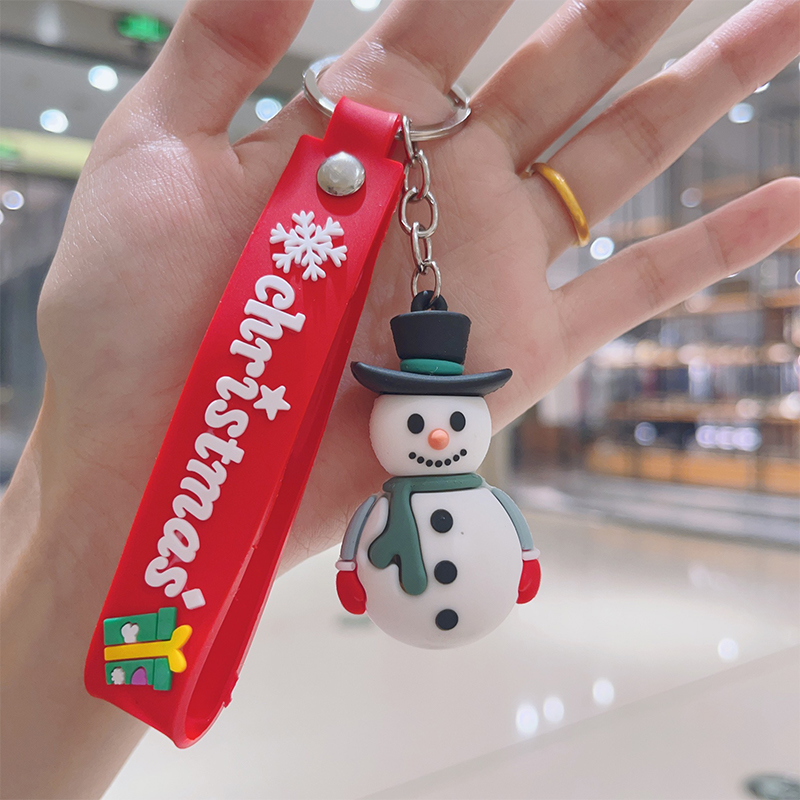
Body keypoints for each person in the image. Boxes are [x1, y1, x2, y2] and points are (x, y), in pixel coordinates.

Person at [1, 0, 797, 796]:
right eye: (423, 420)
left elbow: (507, 527)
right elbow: (370, 542)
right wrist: (350, 571)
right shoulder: (392, 483)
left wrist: (521, 562)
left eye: (450, 420)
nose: (441, 436)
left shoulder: (462, 485)